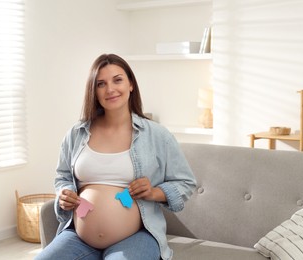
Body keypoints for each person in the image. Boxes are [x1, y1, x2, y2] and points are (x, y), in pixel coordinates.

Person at [35, 53, 197, 260]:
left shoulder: (157, 135)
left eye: (117, 80)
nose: (110, 89)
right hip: (78, 236)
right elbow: (63, 177)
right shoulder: (77, 133)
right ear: (93, 91)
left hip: (137, 236)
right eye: (101, 84)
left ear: (131, 84)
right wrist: (65, 193)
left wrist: (154, 192)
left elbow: (186, 182)